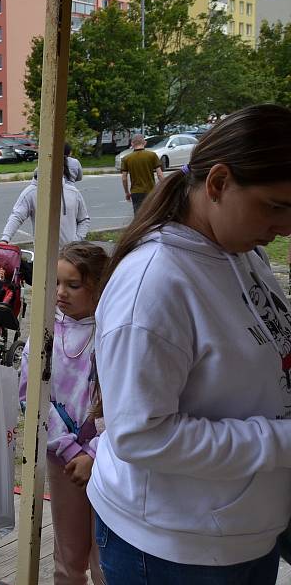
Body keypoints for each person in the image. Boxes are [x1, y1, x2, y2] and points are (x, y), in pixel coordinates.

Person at [89, 104, 291, 584]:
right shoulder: (154, 285)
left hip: (244, 529)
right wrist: (283, 442)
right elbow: (140, 434)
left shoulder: (243, 253)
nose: (287, 226)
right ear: (218, 183)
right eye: (277, 206)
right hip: (175, 547)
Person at [20, 241, 108, 585]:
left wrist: (94, 454)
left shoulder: (112, 334)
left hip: (106, 463)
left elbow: (126, 404)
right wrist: (71, 449)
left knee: (106, 558)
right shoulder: (45, 332)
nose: (61, 293)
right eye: (57, 283)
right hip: (63, 460)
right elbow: (31, 393)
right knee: (68, 555)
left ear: (99, 288)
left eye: (73, 285)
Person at [0, 157, 90, 247]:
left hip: (69, 254)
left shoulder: (73, 192)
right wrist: (5, 239)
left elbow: (84, 220)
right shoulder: (31, 192)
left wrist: (77, 240)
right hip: (42, 254)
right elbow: (17, 216)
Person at [120, 133, 163, 215]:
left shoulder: (126, 158)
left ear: (132, 144)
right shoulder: (152, 155)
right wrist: (164, 187)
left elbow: (124, 178)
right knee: (151, 215)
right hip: (151, 191)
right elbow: (160, 174)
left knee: (138, 217)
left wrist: (127, 192)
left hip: (136, 192)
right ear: (145, 142)